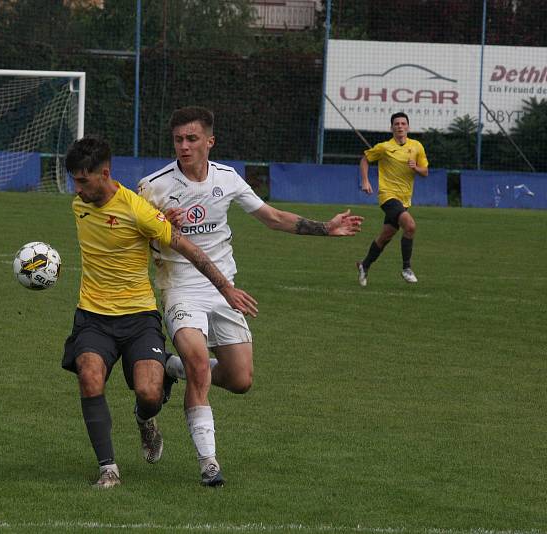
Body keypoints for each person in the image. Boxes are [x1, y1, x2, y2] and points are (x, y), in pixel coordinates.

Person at [137, 105, 363, 487]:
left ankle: (171, 368)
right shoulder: (153, 185)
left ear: (210, 141)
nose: (184, 147)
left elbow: (271, 217)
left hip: (226, 289)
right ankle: (209, 462)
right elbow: (131, 234)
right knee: (197, 362)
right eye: (178, 140)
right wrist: (158, 226)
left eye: (192, 139)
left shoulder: (227, 179)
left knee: (240, 380)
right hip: (180, 288)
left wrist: (325, 228)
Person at [62, 135, 258, 489]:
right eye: (74, 179)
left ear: (104, 173)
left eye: (82, 180)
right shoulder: (80, 204)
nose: (76, 188)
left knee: (150, 394)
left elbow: (189, 249)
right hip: (92, 314)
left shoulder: (137, 209)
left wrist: (225, 288)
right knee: (89, 376)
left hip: (139, 317)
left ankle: (144, 419)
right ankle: (108, 468)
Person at [357, 111, 429, 286]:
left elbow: (425, 172)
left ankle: (364, 265)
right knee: (410, 226)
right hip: (387, 196)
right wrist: (365, 180)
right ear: (391, 128)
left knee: (385, 236)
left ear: (408, 127)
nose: (400, 127)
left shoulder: (417, 146)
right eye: (396, 124)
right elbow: (365, 159)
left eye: (403, 124)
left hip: (405, 199)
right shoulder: (384, 147)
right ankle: (406, 268)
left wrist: (416, 168)